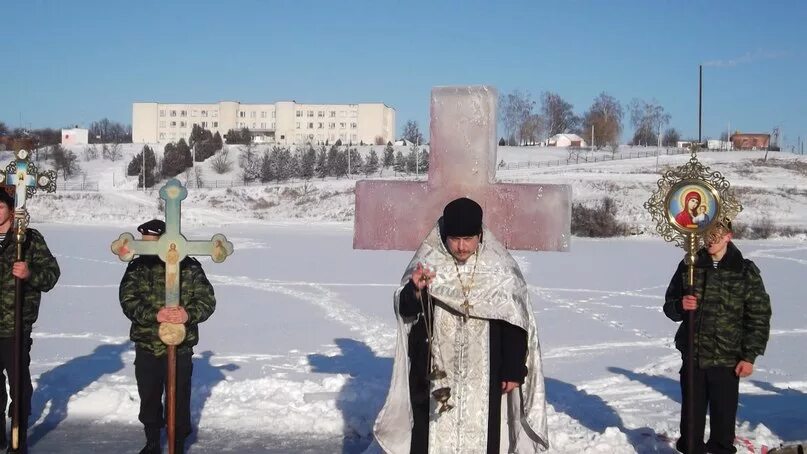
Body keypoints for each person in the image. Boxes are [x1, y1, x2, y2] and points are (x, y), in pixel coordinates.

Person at [372, 197, 548, 453]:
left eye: (468, 239)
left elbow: (515, 318)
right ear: (444, 235)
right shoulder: (429, 263)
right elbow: (405, 309)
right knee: (429, 435)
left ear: (480, 235)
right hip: (435, 372)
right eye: (455, 239)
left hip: (485, 373)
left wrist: (512, 369)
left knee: (484, 434)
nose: (462, 247)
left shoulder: (500, 268)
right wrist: (415, 291)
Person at [664, 220, 771, 454]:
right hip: (694, 356)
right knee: (691, 422)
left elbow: (759, 316)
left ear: (728, 236)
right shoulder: (689, 266)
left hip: (727, 359)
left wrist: (749, 356)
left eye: (717, 234)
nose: (711, 239)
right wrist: (680, 306)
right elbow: (669, 307)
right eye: (707, 234)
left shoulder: (744, 270)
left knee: (723, 424)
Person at [119, 219, 216, 454]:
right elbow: (128, 300)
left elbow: (207, 300)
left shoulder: (189, 267)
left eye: (149, 242)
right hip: (148, 344)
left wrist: (187, 314)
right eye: (143, 242)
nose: (144, 246)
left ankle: (178, 443)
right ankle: (152, 441)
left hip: (180, 345)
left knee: (179, 399)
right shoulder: (138, 267)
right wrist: (156, 314)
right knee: (149, 396)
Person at [0, 187, 60, 453]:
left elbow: (51, 275)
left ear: (12, 210)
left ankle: (18, 436)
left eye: (0, 207)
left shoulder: (29, 240)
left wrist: (29, 273)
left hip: (15, 326)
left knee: (19, 387)